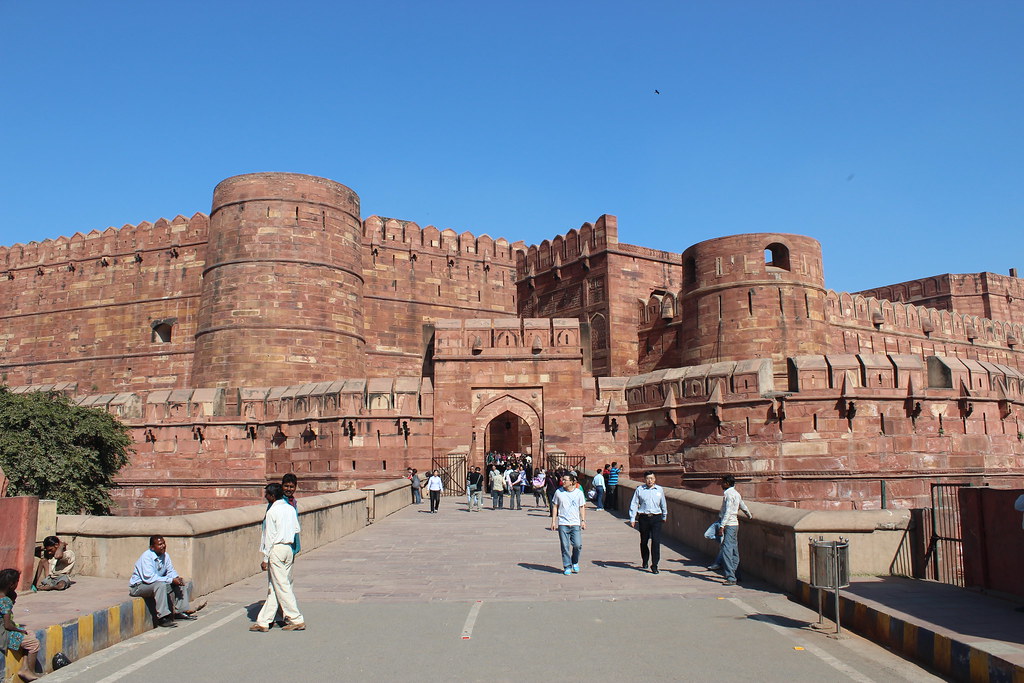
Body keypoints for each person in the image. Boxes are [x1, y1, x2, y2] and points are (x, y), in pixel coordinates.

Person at [251, 483, 305, 632]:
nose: (265, 497)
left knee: (282, 586)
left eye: (267, 494)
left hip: (276, 549)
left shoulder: (272, 512)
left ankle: (296, 619)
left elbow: (269, 537)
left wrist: (265, 558)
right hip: (288, 548)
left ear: (273, 496)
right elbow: (296, 529)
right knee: (276, 586)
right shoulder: (290, 509)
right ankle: (264, 621)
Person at [129, 535, 201, 628]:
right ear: (152, 547)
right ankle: (163, 618)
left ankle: (180, 612)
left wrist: (176, 578)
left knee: (179, 582)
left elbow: (170, 571)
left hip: (155, 584)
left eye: (164, 543)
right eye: (160, 544)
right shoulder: (146, 557)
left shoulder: (165, 556)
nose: (163, 546)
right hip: (139, 587)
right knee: (161, 585)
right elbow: (150, 578)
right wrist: (171, 580)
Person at [0, 568, 40, 681]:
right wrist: (20, 631)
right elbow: (7, 625)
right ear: (12, 584)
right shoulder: (5, 601)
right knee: (33, 643)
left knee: (30, 634)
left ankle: (25, 666)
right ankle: (29, 671)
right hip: (2, 634)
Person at [716, 474, 752, 586]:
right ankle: (737, 575)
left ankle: (731, 577)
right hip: (735, 524)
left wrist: (722, 526)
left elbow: (728, 511)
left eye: (723, 482)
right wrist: (749, 515)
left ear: (727, 483)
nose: (721, 484)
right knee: (734, 550)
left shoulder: (728, 494)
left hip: (729, 524)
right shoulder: (736, 493)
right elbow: (742, 505)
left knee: (727, 551)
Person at [629, 472, 668, 573]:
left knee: (656, 541)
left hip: (656, 517)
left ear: (655, 479)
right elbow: (634, 503)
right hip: (644, 518)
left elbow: (663, 503)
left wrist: (664, 515)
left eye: (651, 478)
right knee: (644, 541)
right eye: (647, 478)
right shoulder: (640, 489)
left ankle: (655, 565)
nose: (649, 480)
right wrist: (632, 518)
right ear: (644, 480)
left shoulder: (659, 489)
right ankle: (645, 559)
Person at [550, 473, 587, 575]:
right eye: (563, 480)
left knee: (577, 545)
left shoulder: (579, 493)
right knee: (565, 546)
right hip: (563, 523)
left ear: (571, 482)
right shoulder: (558, 492)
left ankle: (574, 561)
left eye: (565, 480)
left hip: (575, 523)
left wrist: (583, 520)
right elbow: (555, 506)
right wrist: (553, 521)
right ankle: (567, 566)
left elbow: (582, 507)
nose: (563, 481)